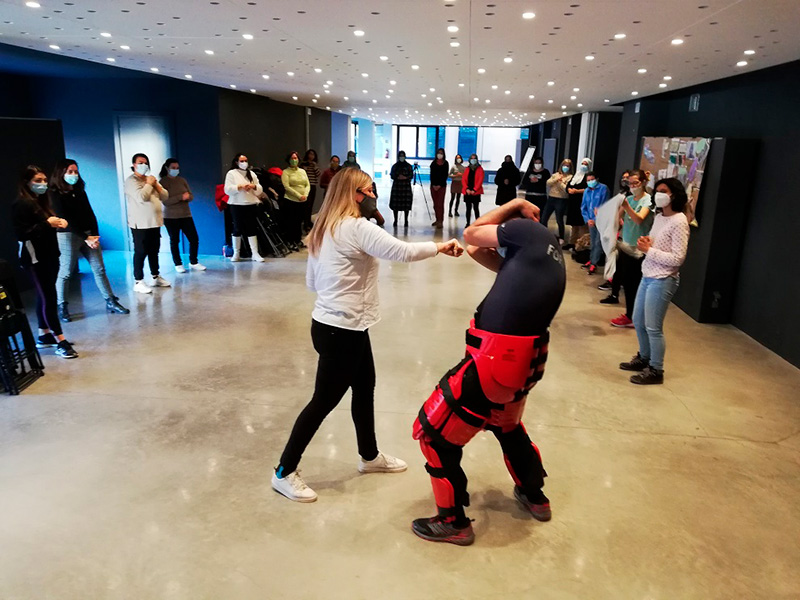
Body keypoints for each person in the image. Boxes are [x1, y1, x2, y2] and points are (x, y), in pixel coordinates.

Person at [271, 168, 464, 503]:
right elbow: (401, 252)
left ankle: (369, 456)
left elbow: (312, 283)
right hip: (342, 329)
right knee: (323, 402)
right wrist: (441, 247)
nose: (374, 194)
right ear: (355, 194)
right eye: (369, 189)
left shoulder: (324, 226)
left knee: (364, 388)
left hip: (337, 325)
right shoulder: (356, 227)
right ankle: (284, 472)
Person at [411, 198, 566, 546]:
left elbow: (471, 233)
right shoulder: (544, 247)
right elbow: (475, 250)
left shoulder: (525, 229)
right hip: (520, 364)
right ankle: (534, 495)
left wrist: (515, 205)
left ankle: (452, 521)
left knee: (433, 436)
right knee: (506, 425)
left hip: (494, 363)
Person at [620, 178, 690, 385]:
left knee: (653, 327)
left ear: (674, 195)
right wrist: (646, 243)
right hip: (648, 274)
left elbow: (678, 258)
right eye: (657, 190)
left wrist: (649, 250)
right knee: (639, 320)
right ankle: (644, 357)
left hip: (663, 280)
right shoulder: (659, 217)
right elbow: (654, 241)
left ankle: (656, 369)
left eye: (663, 191)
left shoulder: (679, 221)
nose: (658, 194)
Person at [49, 159, 129, 320]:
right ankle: (62, 306)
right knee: (65, 272)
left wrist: (94, 236)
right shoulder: (54, 193)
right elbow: (64, 218)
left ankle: (110, 301)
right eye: (70, 171)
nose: (74, 175)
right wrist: (85, 237)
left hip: (88, 235)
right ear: (61, 173)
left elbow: (90, 214)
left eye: (76, 171)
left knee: (99, 269)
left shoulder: (80, 191)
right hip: (68, 235)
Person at [12, 166, 78, 359]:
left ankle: (44, 334)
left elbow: (44, 226)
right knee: (49, 297)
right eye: (38, 180)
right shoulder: (21, 204)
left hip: (50, 255)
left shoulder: (40, 202)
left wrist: (56, 223)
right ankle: (61, 340)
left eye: (44, 180)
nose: (43, 184)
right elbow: (22, 234)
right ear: (27, 182)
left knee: (45, 294)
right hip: (35, 258)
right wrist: (47, 224)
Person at [607, 170, 654, 328]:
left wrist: (626, 207)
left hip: (639, 250)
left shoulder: (648, 200)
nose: (633, 186)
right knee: (627, 283)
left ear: (644, 182)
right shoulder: (628, 199)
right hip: (626, 246)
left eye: (636, 183)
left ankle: (634, 317)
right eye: (630, 183)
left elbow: (639, 219)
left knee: (635, 284)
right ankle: (630, 315)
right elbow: (616, 217)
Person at [125, 153, 170, 293]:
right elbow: (142, 197)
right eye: (140, 162)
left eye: (146, 163)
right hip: (140, 223)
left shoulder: (150, 180)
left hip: (154, 222)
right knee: (140, 251)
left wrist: (156, 184)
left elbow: (165, 196)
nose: (144, 165)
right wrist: (149, 184)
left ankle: (155, 276)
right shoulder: (131, 181)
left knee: (154, 250)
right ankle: (138, 281)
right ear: (134, 165)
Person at [159, 158, 206, 274]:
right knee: (175, 240)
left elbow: (191, 196)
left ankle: (193, 261)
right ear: (167, 168)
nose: (175, 170)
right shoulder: (163, 182)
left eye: (177, 168)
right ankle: (178, 263)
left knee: (194, 238)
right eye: (173, 168)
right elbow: (165, 201)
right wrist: (181, 197)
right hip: (170, 217)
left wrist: (187, 197)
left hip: (186, 214)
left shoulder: (182, 180)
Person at [224, 153, 266, 262]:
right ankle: (236, 253)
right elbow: (227, 189)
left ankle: (255, 253)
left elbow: (259, 189)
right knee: (237, 228)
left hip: (250, 204)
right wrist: (239, 187)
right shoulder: (231, 173)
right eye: (241, 161)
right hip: (236, 204)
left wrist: (253, 186)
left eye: (246, 160)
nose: (244, 163)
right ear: (236, 162)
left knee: (251, 228)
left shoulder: (251, 173)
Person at [597, 170, 631, 293]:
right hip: (618, 228)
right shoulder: (621, 193)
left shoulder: (630, 196)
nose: (625, 180)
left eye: (628, 178)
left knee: (615, 256)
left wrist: (615, 220)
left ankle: (613, 282)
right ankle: (613, 281)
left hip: (623, 230)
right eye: (623, 178)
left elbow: (620, 212)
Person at [580, 171, 610, 275]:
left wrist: (596, 219)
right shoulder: (586, 191)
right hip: (590, 221)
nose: (590, 182)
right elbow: (583, 207)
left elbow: (605, 205)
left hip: (601, 220)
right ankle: (592, 259)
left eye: (592, 180)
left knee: (598, 242)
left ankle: (594, 263)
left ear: (596, 179)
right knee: (593, 241)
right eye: (588, 180)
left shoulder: (603, 189)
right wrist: (588, 219)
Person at [281, 151, 311, 248]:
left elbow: (307, 184)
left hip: (303, 201)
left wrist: (305, 195)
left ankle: (298, 240)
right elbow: (287, 187)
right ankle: (291, 241)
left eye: (296, 158)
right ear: (289, 160)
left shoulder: (302, 171)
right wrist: (298, 195)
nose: (294, 160)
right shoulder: (286, 172)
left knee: (299, 222)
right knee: (291, 222)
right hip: (290, 200)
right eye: (292, 158)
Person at [542, 159, 573, 244]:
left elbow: (566, 189)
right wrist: (556, 180)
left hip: (561, 199)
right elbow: (548, 183)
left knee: (559, 219)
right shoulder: (556, 175)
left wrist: (560, 183)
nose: (565, 167)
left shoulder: (570, 177)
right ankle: (544, 235)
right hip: (551, 198)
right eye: (564, 165)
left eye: (567, 166)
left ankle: (561, 237)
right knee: (544, 218)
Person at [564, 157, 592, 250]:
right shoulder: (576, 175)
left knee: (581, 226)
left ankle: (581, 245)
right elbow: (568, 186)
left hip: (582, 203)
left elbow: (589, 189)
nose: (583, 166)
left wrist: (577, 191)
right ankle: (572, 243)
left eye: (586, 164)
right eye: (582, 163)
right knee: (574, 225)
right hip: (573, 203)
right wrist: (569, 190)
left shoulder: (589, 176)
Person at [389, 150, 414, 228]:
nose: (401, 157)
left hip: (406, 187)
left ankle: (406, 220)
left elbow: (411, 175)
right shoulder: (395, 166)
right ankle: (395, 220)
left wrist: (405, 177)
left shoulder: (408, 166)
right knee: (395, 204)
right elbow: (391, 175)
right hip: (397, 186)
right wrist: (397, 177)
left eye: (403, 156)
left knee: (406, 204)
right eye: (400, 156)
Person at [299, 149, 321, 232]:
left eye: (313, 155)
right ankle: (305, 223)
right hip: (304, 186)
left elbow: (318, 174)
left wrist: (314, 166)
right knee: (305, 205)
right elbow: (301, 174)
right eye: (310, 154)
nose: (311, 156)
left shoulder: (315, 165)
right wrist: (306, 167)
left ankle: (308, 222)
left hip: (312, 186)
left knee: (310, 205)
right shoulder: (303, 164)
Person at [429, 148, 449, 229]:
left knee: (440, 204)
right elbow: (432, 175)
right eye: (438, 153)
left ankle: (441, 221)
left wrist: (439, 185)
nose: (439, 154)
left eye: (441, 153)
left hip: (442, 187)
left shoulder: (445, 163)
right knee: (435, 204)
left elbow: (445, 175)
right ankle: (437, 219)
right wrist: (434, 185)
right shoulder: (433, 163)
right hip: (433, 186)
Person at [463, 153, 485, 226]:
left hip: (476, 192)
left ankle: (477, 223)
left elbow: (480, 180)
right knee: (468, 208)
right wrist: (466, 189)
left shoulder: (480, 169)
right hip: (467, 192)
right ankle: (467, 223)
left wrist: (474, 190)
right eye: (472, 158)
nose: (473, 160)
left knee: (476, 208)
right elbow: (464, 180)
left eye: (474, 158)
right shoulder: (467, 169)